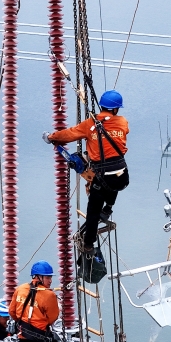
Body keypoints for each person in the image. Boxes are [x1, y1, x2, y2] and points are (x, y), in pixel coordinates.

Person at [46, 90, 129, 247]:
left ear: (102, 106)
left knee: (93, 211)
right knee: (114, 181)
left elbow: (69, 134)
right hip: (123, 176)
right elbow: (119, 131)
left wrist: (51, 137)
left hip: (103, 177)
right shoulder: (123, 122)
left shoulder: (89, 125)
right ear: (116, 109)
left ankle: (89, 244)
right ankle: (108, 208)